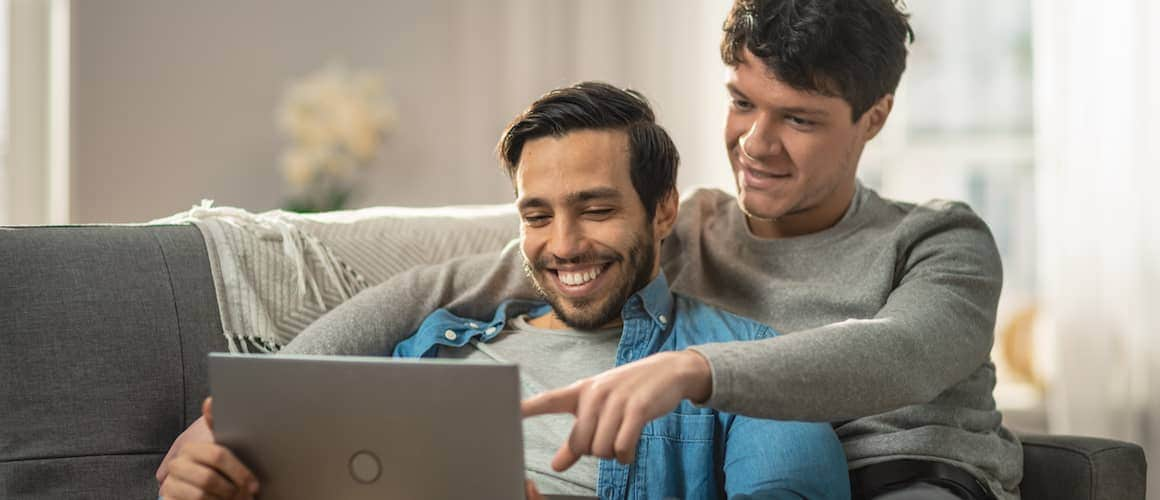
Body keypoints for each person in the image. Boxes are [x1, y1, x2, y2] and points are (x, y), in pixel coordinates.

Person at [162, 0, 1022, 498]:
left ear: (873, 119)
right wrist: (237, 419)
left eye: (798, 118)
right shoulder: (683, 232)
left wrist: (689, 372)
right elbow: (446, 285)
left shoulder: (938, 239)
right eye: (742, 103)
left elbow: (900, 354)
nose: (756, 143)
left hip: (912, 475)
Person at [158, 82, 851, 500]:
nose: (564, 244)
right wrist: (214, 476)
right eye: (537, 216)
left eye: (598, 209)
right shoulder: (431, 346)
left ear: (663, 210)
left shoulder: (749, 369)